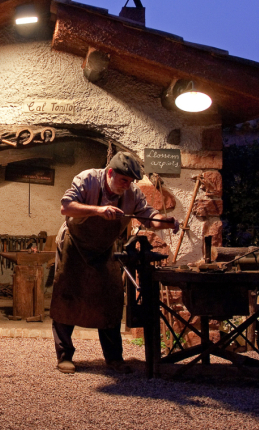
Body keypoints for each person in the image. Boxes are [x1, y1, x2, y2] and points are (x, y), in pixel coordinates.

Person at [50, 151, 179, 374]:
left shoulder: (132, 193)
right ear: (110, 173)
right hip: (74, 244)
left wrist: (164, 221)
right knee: (67, 296)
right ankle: (64, 356)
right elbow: (66, 207)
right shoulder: (87, 179)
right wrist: (99, 210)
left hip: (103, 249)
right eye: (123, 180)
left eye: (130, 182)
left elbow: (148, 216)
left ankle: (114, 358)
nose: (127, 186)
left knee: (110, 298)